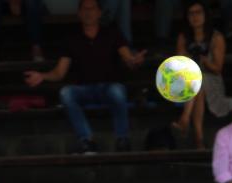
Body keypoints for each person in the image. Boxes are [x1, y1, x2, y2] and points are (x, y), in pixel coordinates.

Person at [23, 0, 145, 154]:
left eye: (92, 9)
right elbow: (59, 72)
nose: (88, 12)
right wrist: (42, 76)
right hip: (84, 89)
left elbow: (128, 59)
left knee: (118, 90)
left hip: (108, 87)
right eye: (84, 9)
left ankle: (122, 139)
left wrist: (134, 61)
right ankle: (87, 140)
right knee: (66, 93)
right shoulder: (71, 38)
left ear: (99, 13)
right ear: (79, 13)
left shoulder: (112, 33)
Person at [172, 1, 232, 149]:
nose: (195, 17)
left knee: (199, 80)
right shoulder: (183, 37)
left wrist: (205, 61)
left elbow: (217, 68)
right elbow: (180, 65)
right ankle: (198, 139)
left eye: (198, 12)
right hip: (186, 81)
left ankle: (186, 121)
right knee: (196, 80)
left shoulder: (216, 38)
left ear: (205, 15)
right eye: (191, 13)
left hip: (211, 79)